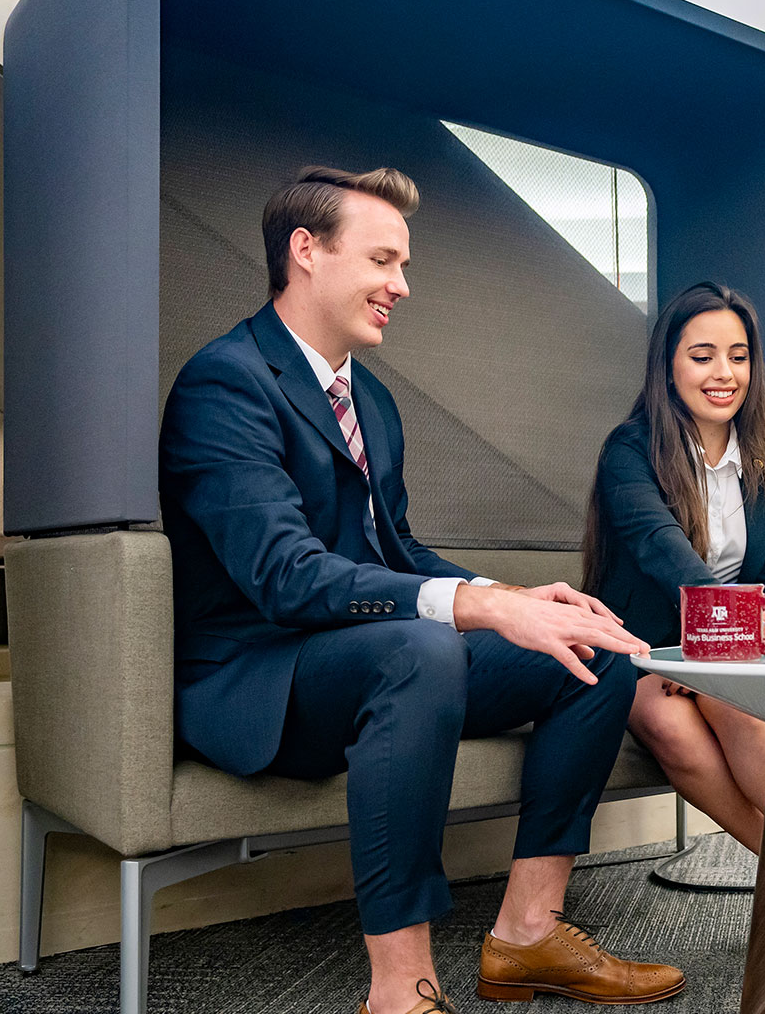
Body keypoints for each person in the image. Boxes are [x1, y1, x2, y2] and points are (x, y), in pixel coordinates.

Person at [159, 166, 685, 1014]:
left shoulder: (370, 398)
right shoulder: (225, 383)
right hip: (261, 678)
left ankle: (527, 935)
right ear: (306, 251)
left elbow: (393, 548)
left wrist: (512, 595)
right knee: (420, 646)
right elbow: (285, 576)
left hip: (366, 657)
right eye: (383, 261)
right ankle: (400, 991)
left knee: (590, 648)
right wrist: (475, 608)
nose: (401, 286)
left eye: (403, 266)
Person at [581, 282, 765, 855]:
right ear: (669, 366)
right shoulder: (630, 449)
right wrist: (706, 649)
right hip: (640, 650)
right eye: (702, 357)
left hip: (732, 650)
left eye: (738, 356)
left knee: (734, 705)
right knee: (672, 728)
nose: (723, 372)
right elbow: (664, 553)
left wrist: (720, 654)